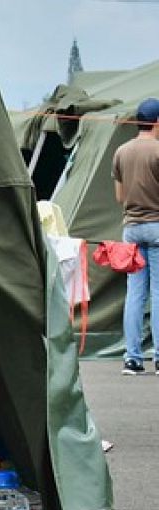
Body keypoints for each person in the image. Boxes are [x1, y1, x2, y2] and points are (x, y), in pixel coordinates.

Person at [113, 97, 159, 374]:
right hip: (157, 226)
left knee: (135, 295)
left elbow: (120, 196)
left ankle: (132, 358)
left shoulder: (121, 151)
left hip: (131, 228)